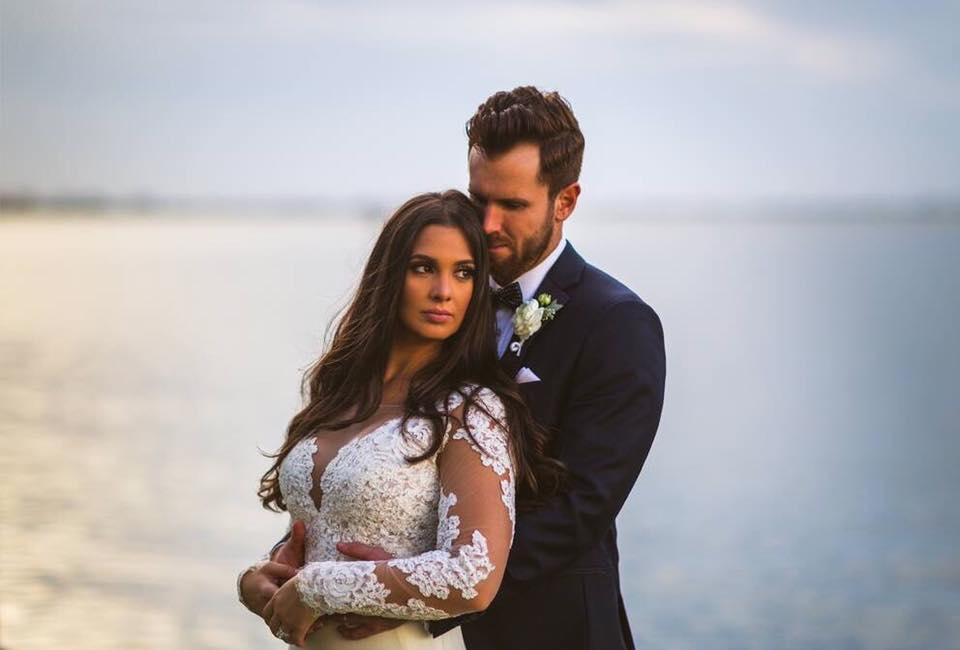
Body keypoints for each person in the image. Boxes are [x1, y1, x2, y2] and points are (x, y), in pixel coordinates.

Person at [242, 86, 667, 649]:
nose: (487, 225)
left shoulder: (616, 323)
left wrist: (399, 590)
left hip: (558, 631)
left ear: (565, 201)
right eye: (478, 199)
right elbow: (391, 469)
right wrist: (288, 564)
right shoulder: (445, 309)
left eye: (512, 206)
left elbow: (579, 509)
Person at [237, 190, 563, 648]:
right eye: (424, 267)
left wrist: (316, 587)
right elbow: (326, 529)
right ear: (390, 275)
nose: (443, 291)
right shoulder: (340, 393)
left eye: (464, 273)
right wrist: (260, 579)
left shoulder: (470, 410)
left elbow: (474, 576)